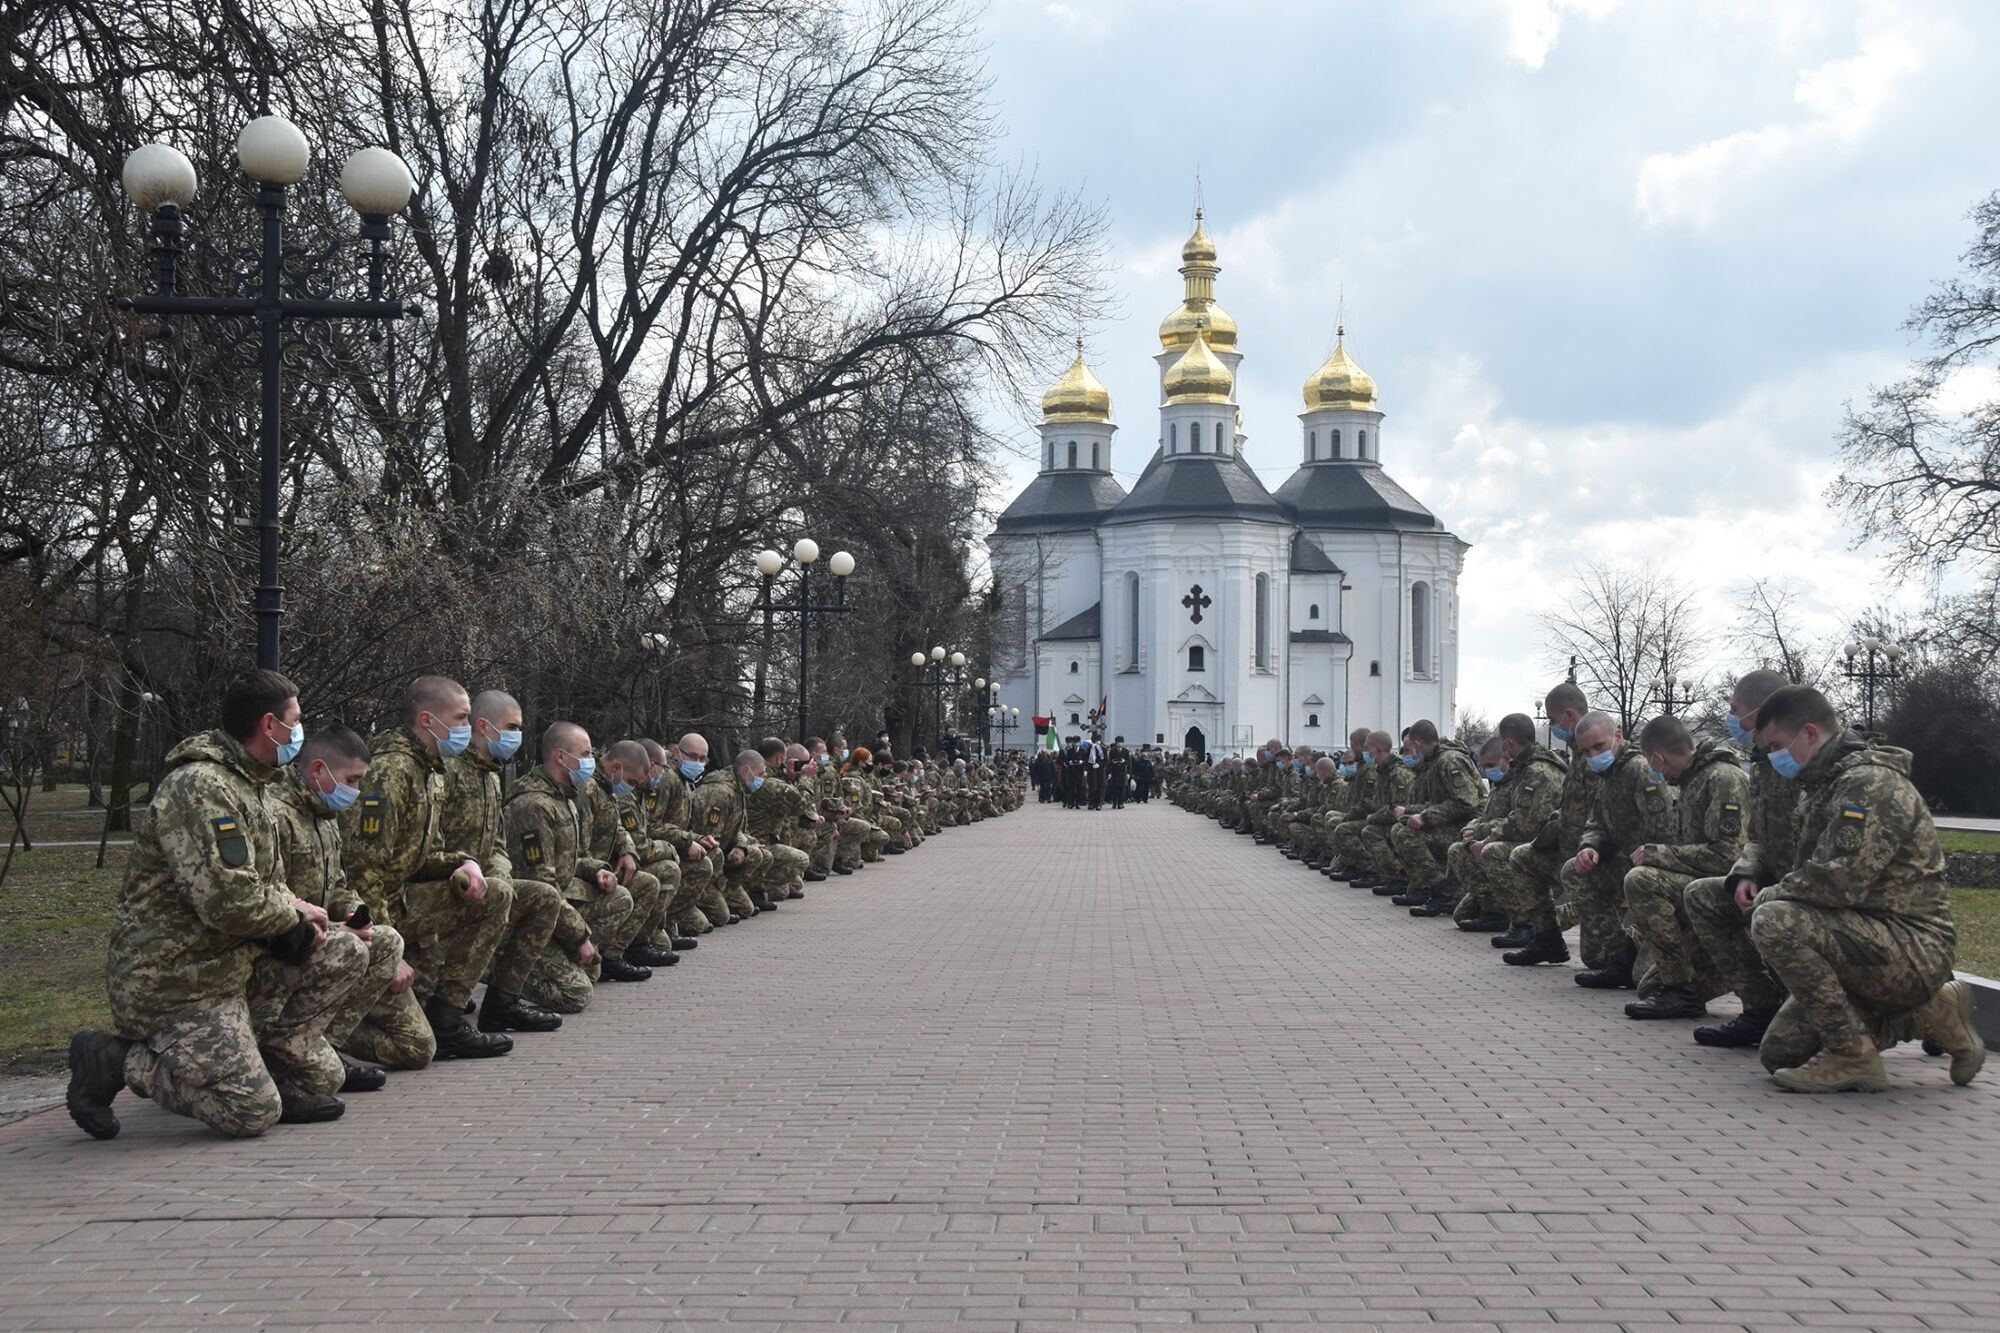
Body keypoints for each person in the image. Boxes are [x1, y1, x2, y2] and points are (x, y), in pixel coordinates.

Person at [68, 669, 368, 1139]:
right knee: (251, 1111)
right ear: (270, 726)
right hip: (177, 979)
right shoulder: (202, 787)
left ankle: (265, 1059)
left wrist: (299, 908)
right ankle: (114, 1057)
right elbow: (229, 902)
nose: (300, 732)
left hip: (229, 963)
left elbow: (260, 881)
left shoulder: (253, 784)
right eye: (296, 720)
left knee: (344, 957)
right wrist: (295, 912)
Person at [1746, 685, 1982, 1092]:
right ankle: (1932, 1011)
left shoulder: (1867, 785)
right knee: (1781, 1053)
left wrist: (1771, 893)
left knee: (1774, 920)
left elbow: (1838, 881)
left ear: (1810, 734)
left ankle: (1853, 1054)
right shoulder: (1828, 784)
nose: (1773, 758)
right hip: (1863, 940)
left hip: (1911, 946)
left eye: (1777, 746)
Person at [341, 675, 514, 1059]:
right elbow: (364, 871)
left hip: (404, 904)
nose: (467, 729)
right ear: (426, 720)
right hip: (375, 917)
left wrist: (462, 863)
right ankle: (318, 1036)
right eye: (461, 718)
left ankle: (447, 1017)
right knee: (416, 1049)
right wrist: (389, 954)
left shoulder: (430, 770)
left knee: (496, 893)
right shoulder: (391, 772)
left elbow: (423, 857)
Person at [272, 723, 422, 1088]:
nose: (355, 791)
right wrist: (337, 929)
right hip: (283, 943)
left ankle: (326, 1042)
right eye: (351, 780)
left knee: (385, 941)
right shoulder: (278, 813)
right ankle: (284, 1051)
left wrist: (357, 914)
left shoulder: (324, 816)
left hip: (319, 938)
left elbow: (337, 884)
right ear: (318, 770)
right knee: (353, 947)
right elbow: (274, 895)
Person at [438, 690, 567, 1035]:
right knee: (501, 893)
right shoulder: (448, 770)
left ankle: (502, 1003)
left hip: (486, 883)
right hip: (446, 883)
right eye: (512, 727)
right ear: (483, 726)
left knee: (542, 897)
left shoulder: (490, 776)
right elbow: (430, 842)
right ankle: (447, 1011)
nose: (517, 736)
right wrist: (470, 870)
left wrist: (500, 874)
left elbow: (495, 843)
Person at [1683, 669, 1797, 1048]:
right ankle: (1759, 1007)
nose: (1732, 719)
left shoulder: (1803, 760)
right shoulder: (1766, 762)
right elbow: (1758, 838)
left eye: (1736, 710)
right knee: (1704, 895)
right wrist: (1747, 872)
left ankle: (1929, 1009)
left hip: (1814, 893)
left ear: (1764, 710)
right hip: (1780, 885)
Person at [1619, 713, 1747, 1020]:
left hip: (1727, 896)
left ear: (1657, 758)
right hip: (1699, 895)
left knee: (1641, 880)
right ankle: (1699, 979)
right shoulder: (1692, 781)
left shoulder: (1722, 779)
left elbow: (1727, 856)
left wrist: (1659, 854)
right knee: (1649, 988)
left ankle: (1743, 976)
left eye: (1651, 763)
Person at [503, 722, 642, 1000]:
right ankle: (504, 972)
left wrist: (597, 870)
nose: (592, 761)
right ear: (560, 756)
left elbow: (573, 857)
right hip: (526, 918)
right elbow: (542, 883)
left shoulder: (563, 798)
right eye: (587, 753)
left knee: (593, 968)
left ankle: (559, 956)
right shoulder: (535, 805)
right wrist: (579, 938)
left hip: (557, 903)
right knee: (576, 993)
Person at [1563, 710, 1676, 989]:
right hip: (1627, 864)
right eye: (1586, 751)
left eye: (1598, 746)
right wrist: (1590, 847)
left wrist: (1649, 859)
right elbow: (1596, 823)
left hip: (1656, 869)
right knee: (1575, 871)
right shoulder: (1609, 775)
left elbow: (1666, 830)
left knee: (1643, 979)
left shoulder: (1640, 770)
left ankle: (1634, 954)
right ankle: (1616, 953)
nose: (1593, 755)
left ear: (1617, 735)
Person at [1387, 719, 1485, 916]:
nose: (1409, 753)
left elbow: (1467, 802)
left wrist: (1426, 817)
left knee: (1407, 834)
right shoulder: (1433, 763)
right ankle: (1430, 888)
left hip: (1467, 826)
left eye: (1410, 748)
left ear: (1417, 744)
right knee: (1401, 828)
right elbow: (1434, 801)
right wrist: (1413, 813)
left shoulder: (1449, 761)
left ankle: (1444, 892)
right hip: (1450, 822)